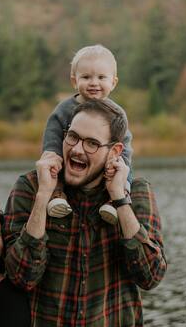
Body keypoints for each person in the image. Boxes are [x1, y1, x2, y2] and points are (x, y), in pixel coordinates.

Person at [4, 99, 168, 327]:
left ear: (115, 151)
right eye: (72, 137)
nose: (77, 149)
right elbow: (21, 275)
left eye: (91, 143)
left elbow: (150, 274)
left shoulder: (137, 193)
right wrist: (44, 198)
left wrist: (120, 200)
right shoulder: (30, 188)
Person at [43, 44, 133, 224]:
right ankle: (57, 196)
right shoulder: (64, 109)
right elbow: (52, 135)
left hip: (105, 164)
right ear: (74, 81)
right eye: (86, 77)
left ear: (113, 82)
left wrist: (118, 162)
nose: (93, 83)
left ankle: (115, 200)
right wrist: (52, 154)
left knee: (124, 170)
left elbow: (125, 143)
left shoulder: (117, 113)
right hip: (68, 163)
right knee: (52, 166)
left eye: (101, 77)